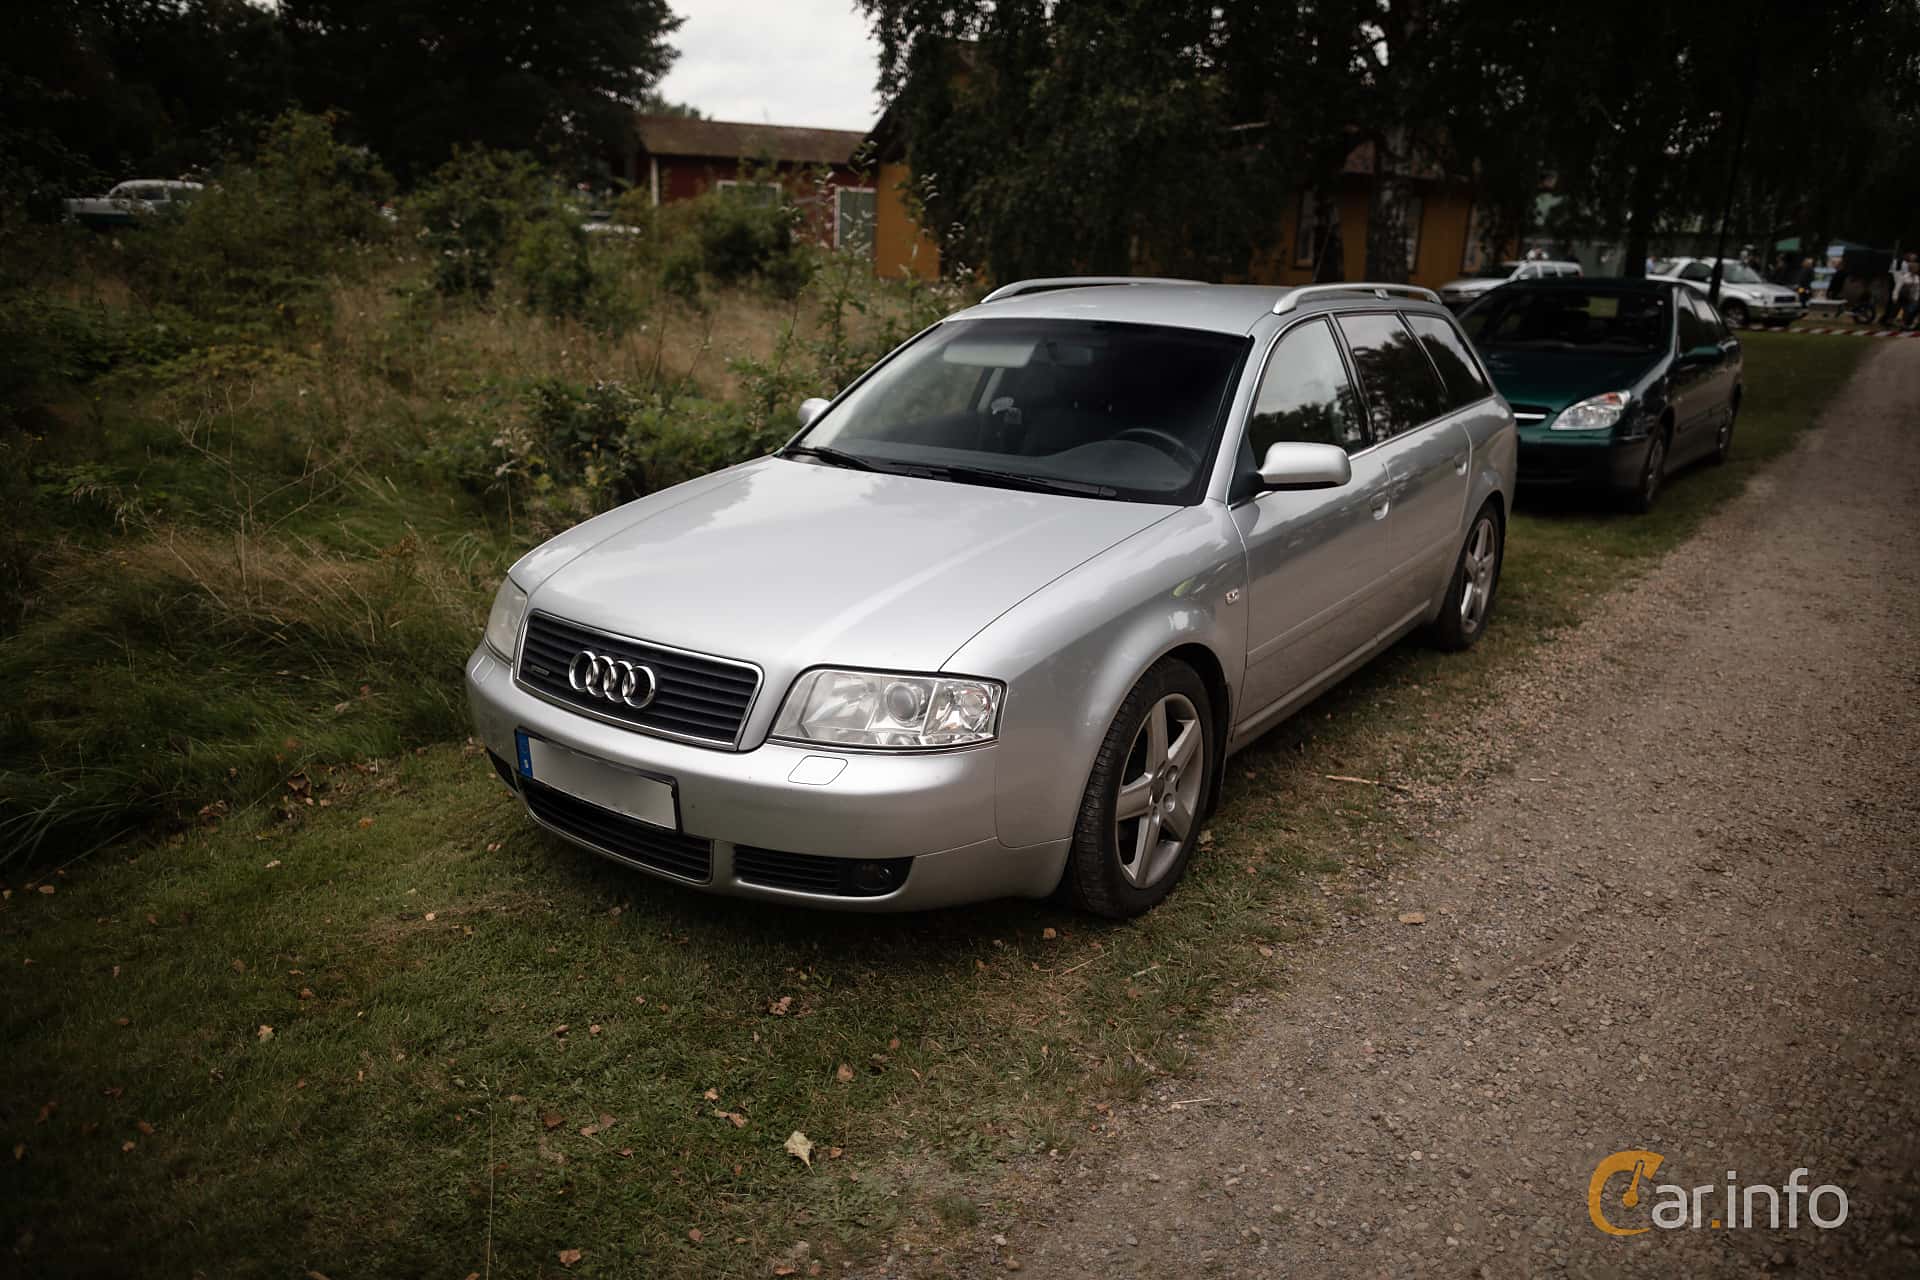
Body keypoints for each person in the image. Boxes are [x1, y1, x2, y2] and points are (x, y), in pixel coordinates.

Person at [1894, 253, 1920, 329]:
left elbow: (1917, 289)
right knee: (1903, 309)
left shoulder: (1917, 278)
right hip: (1903, 296)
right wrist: (1895, 296)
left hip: (1911, 297)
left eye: (1917, 268)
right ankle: (1900, 321)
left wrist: (1916, 298)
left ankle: (1906, 323)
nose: (1916, 269)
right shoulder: (1904, 277)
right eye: (1914, 268)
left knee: (1910, 309)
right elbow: (1897, 287)